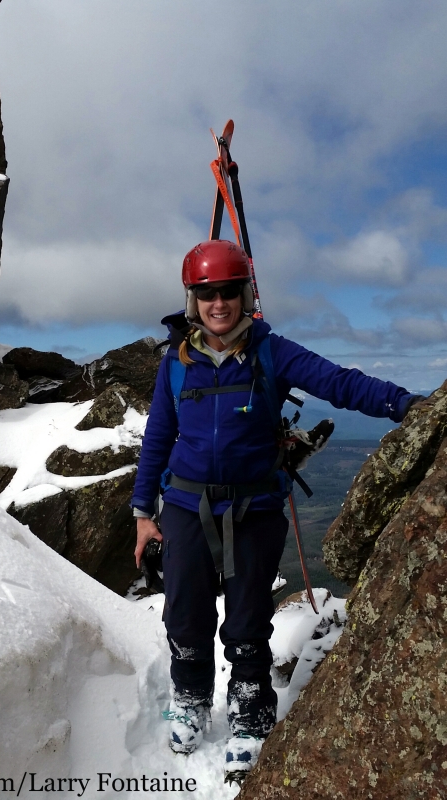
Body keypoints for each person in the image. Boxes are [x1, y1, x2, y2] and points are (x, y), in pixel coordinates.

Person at [131, 239, 422, 781]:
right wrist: (143, 512)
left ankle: (251, 710)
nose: (219, 303)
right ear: (194, 300)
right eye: (207, 293)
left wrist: (406, 404)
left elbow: (339, 382)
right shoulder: (177, 362)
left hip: (254, 509)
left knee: (246, 620)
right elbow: (158, 438)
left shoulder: (271, 351)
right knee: (184, 613)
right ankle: (191, 699)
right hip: (185, 506)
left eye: (228, 292)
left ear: (243, 294)